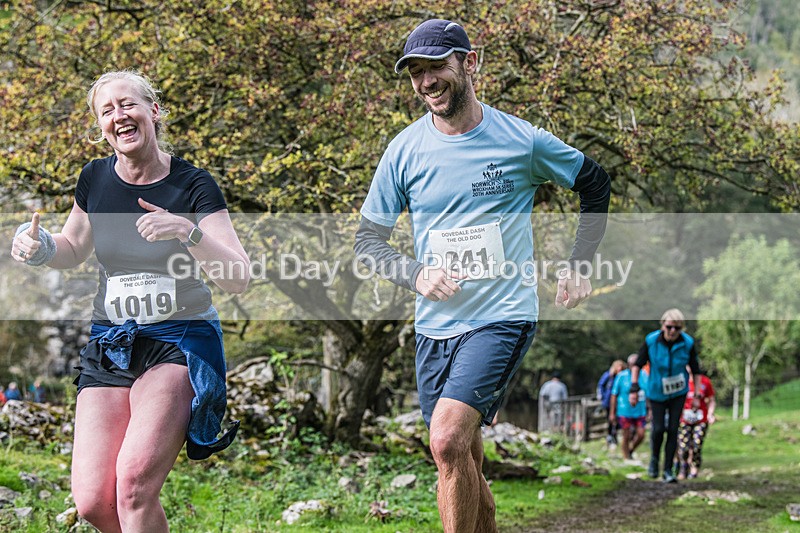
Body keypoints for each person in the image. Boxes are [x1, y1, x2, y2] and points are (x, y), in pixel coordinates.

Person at [354, 19, 610, 532]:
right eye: (416, 73)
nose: (427, 81)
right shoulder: (403, 150)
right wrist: (415, 274)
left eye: (436, 67)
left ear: (470, 62)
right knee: (460, 457)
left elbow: (595, 182)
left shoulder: (521, 140)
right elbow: (367, 242)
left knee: (446, 440)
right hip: (434, 326)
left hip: (501, 316)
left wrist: (579, 263)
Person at [11, 70, 249, 532]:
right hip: (112, 340)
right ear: (100, 125)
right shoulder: (94, 178)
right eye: (107, 110)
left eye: (128, 104)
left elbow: (238, 277)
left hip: (178, 340)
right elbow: (73, 248)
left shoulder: (194, 185)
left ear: (153, 111)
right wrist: (39, 247)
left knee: (134, 486)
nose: (118, 115)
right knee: (94, 500)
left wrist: (187, 231)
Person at [629, 309, 701, 483]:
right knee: (658, 428)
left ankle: (668, 470)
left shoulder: (688, 343)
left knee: (673, 429)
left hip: (678, 391)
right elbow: (638, 364)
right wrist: (634, 388)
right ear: (662, 325)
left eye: (677, 328)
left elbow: (696, 370)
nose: (672, 331)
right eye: (669, 327)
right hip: (657, 390)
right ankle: (654, 459)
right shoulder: (651, 341)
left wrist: (697, 395)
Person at [676, 370, 716, 479]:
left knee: (697, 445)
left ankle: (694, 469)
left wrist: (710, 414)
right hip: (684, 420)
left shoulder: (705, 381)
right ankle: (683, 467)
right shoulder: (680, 380)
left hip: (701, 419)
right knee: (683, 446)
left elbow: (711, 400)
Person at [609, 354, 648, 459]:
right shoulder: (621, 376)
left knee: (641, 434)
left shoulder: (644, 375)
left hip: (640, 411)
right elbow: (614, 394)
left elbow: (648, 393)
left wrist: (650, 410)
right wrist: (612, 412)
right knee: (626, 434)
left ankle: (631, 450)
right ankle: (626, 456)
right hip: (624, 410)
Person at [597, 359, 626, 446]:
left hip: (620, 402)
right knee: (610, 419)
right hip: (608, 401)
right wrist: (603, 396)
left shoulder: (622, 376)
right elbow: (601, 385)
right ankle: (610, 436)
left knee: (619, 420)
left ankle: (615, 435)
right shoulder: (608, 375)